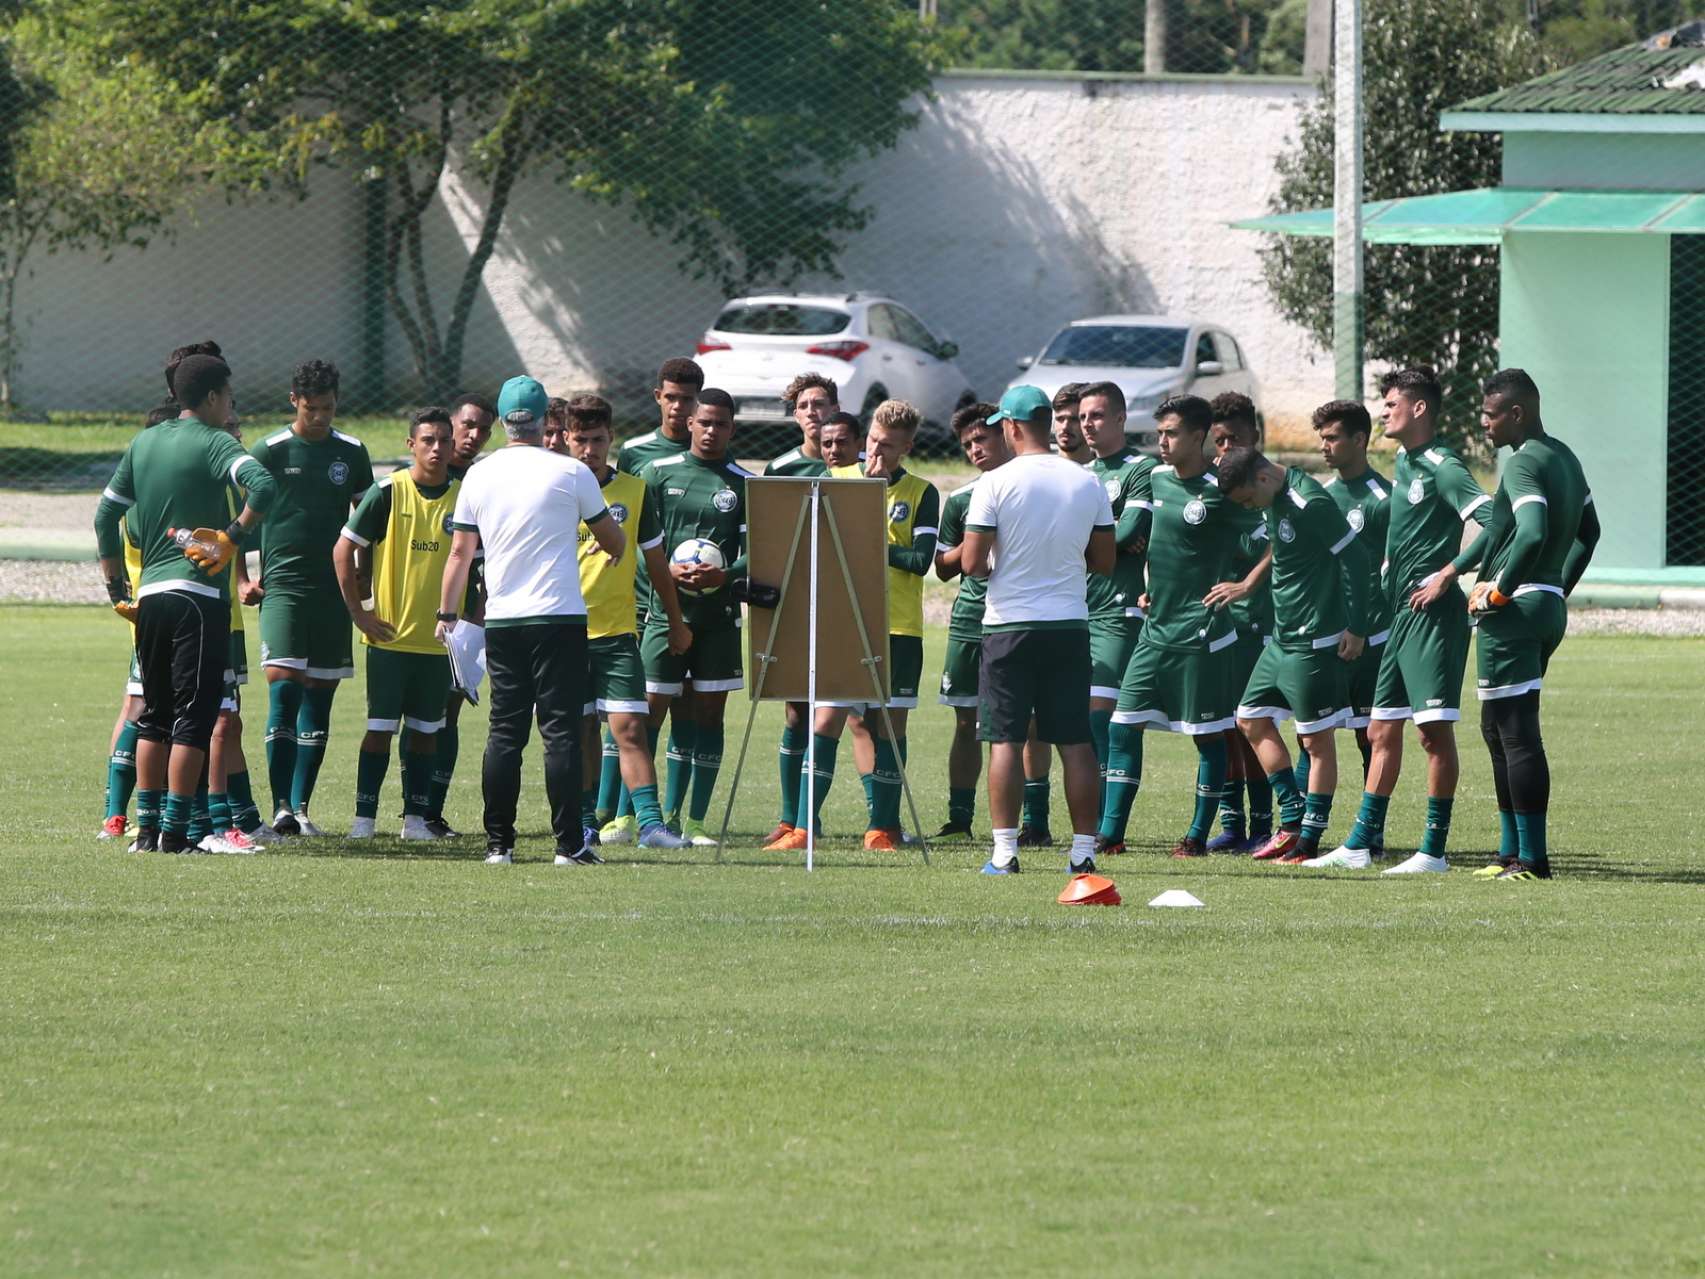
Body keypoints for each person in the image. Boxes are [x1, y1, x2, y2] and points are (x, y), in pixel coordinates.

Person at [93, 354, 277, 853]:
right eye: (230, 398)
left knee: (152, 715)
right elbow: (263, 485)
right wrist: (231, 538)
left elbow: (104, 516)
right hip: (198, 599)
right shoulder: (216, 442)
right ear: (215, 397)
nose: (231, 407)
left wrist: (117, 589)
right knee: (192, 720)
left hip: (150, 598)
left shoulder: (144, 443)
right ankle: (176, 833)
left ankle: (146, 832)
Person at [437, 376, 624, 865]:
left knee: (505, 731)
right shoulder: (571, 472)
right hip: (559, 617)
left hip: (503, 619)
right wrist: (613, 546)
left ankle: (499, 844)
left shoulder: (478, 475)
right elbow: (613, 541)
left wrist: (448, 614)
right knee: (560, 732)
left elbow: (460, 552)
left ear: (502, 422)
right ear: (547, 423)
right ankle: (568, 846)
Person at [1328, 367, 1493, 875]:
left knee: (1432, 735)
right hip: (1400, 616)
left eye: (1392, 403)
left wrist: (1450, 572)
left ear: (1419, 409)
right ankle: (1358, 844)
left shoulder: (1444, 466)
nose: (1383, 411)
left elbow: (1494, 522)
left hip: (1433, 618)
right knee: (1380, 730)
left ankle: (1434, 851)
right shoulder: (1405, 459)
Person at [767, 400, 939, 853]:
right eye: (874, 443)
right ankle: (804, 828)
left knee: (888, 726)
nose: (878, 454)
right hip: (841, 623)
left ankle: (881, 828)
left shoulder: (922, 493)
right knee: (824, 720)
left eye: (889, 447)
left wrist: (865, 542)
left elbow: (920, 561)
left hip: (898, 628)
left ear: (907, 448)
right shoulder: (833, 482)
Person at [960, 385, 1114, 876]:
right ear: (1050, 422)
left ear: (1010, 426)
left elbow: (971, 562)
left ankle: (1005, 852)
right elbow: (1104, 561)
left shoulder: (994, 482)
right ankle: (1084, 851)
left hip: (1008, 626)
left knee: (1005, 739)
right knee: (1075, 741)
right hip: (1069, 625)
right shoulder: (1087, 482)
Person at [1098, 394, 1247, 859]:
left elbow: (1271, 542)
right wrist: (1150, 585)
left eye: (1172, 433)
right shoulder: (1157, 478)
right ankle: (1110, 833)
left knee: (1208, 735)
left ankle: (1197, 837)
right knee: (1122, 727)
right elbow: (1157, 545)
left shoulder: (1221, 488)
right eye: (1159, 432)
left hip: (1201, 635)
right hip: (1154, 629)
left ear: (1198, 437)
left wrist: (1242, 586)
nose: (1162, 441)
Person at [1465, 369, 1598, 880]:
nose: (1484, 423)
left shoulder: (1523, 463)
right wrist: (1555, 590)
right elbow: (1591, 530)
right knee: (1496, 729)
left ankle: (1532, 860)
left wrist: (1499, 591)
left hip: (1515, 610)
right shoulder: (1564, 456)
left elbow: (1531, 532)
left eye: (1491, 414)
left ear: (1516, 413)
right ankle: (1509, 854)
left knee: (1516, 733)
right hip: (1542, 606)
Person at [1217, 445, 1371, 866]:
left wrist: (1356, 627)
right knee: (1248, 717)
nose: (1250, 508)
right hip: (1281, 641)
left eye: (1249, 500)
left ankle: (1307, 843)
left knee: (1315, 741)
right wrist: (1250, 583)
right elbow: (1279, 552)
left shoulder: (1311, 503)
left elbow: (1357, 560)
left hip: (1314, 642)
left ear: (1263, 479)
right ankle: (1292, 817)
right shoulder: (1275, 497)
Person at [247, 359, 375, 836]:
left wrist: (363, 576)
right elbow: (239, 518)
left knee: (319, 697)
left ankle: (300, 810)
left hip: (333, 593)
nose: (319, 416)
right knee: (283, 686)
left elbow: (369, 523)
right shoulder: (271, 450)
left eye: (327, 407)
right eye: (311, 407)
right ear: (293, 402)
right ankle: (279, 805)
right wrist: (243, 577)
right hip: (283, 587)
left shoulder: (352, 452)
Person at [561, 394, 692, 851]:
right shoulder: (556, 489)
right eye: (580, 440)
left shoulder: (635, 491)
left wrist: (675, 621)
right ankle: (582, 822)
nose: (589, 450)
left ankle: (652, 826)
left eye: (597, 440)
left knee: (630, 728)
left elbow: (657, 564)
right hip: (564, 633)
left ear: (611, 438)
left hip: (617, 634)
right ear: (565, 439)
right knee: (580, 732)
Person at [333, 407, 462, 840]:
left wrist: (472, 624)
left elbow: (480, 568)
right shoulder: (388, 491)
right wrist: (359, 612)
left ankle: (414, 820)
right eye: (428, 440)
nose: (437, 448)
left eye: (445, 440)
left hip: (438, 644)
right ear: (411, 445)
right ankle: (363, 820)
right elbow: (342, 550)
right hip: (388, 640)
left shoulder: (464, 496)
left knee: (427, 734)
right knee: (379, 732)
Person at [637, 388, 751, 846]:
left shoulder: (743, 482)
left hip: (719, 619)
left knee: (709, 714)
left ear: (731, 428)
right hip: (665, 615)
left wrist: (723, 576)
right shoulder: (657, 473)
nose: (711, 430)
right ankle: (641, 817)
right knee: (648, 712)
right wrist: (669, 571)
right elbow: (640, 543)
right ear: (689, 423)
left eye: (721, 424)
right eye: (704, 422)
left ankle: (697, 822)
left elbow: (760, 551)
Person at [602, 357, 705, 843]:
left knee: (684, 707)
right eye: (672, 397)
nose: (679, 407)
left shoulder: (710, 448)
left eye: (688, 399)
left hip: (691, 604)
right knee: (630, 709)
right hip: (634, 603)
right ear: (657, 397)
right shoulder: (636, 453)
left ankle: (671, 815)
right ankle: (613, 813)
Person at [1079, 382, 1156, 856]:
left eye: (1099, 415)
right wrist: (1105, 541)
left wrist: (1084, 541)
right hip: (1078, 609)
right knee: (1085, 724)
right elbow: (1115, 537)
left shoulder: (1140, 469)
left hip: (1119, 609)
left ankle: (1112, 829)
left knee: (1108, 720)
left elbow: (1132, 531)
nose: (1088, 423)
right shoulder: (1080, 473)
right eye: (1084, 416)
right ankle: (1098, 826)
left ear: (1122, 418)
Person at [1014, 381, 1092, 841]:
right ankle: (1035, 822)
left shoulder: (1094, 479)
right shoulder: (1032, 476)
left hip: (1087, 613)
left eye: (1076, 418)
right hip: (1067, 614)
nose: (1068, 427)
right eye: (1060, 418)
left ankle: (1100, 832)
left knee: (1082, 728)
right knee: (1030, 727)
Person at [760, 373, 836, 846]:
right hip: (796, 604)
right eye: (805, 405)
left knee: (851, 711)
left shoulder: (856, 466)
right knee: (796, 710)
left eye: (821, 403)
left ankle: (871, 821)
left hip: (844, 603)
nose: (813, 411)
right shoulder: (780, 468)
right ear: (795, 415)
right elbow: (770, 537)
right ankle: (792, 818)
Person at [423, 392, 497, 836]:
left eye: (484, 429)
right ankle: (406, 810)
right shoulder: (416, 478)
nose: (473, 435)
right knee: (408, 718)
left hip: (462, 620)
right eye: (467, 425)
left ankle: (432, 810)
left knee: (448, 713)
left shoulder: (484, 481)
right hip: (414, 619)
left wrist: (475, 616)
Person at [1204, 393, 1276, 855]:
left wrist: (1250, 581)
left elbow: (1288, 542)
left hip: (1264, 624)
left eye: (1234, 438)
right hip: (1220, 624)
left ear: (1256, 437)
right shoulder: (1213, 488)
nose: (1226, 447)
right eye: (1219, 439)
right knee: (1223, 728)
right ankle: (1233, 824)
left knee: (1256, 726)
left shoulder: (1274, 485)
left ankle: (1269, 823)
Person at [931, 402, 1005, 841]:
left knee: (1018, 723)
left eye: (982, 439)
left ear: (1005, 434)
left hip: (1016, 616)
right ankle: (959, 819)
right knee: (965, 721)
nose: (975, 449)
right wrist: (976, 540)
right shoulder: (961, 498)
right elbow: (942, 566)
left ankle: (1030, 820)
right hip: (969, 619)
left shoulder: (1031, 489)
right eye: (967, 445)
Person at [1313, 400, 1394, 795]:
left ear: (1359, 440)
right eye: (1322, 438)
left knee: (1370, 737)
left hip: (1371, 636)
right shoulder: (1322, 496)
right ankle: (1304, 830)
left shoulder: (1384, 498)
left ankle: (1369, 832)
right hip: (1326, 634)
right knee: (1311, 735)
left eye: (1332, 438)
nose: (1324, 446)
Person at [764, 373, 836, 476]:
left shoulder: (863, 463)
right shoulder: (778, 470)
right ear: (796, 416)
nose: (810, 412)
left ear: (835, 411)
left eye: (818, 404)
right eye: (803, 406)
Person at [1052, 383, 1092, 463]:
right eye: (1060, 419)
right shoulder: (1041, 471)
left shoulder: (1105, 473)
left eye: (1074, 420)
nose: (1065, 427)